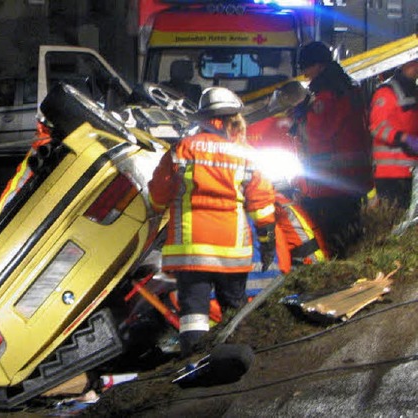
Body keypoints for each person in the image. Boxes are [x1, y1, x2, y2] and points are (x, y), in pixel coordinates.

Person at [147, 87, 276, 358]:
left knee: (194, 314)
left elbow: (159, 195)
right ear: (234, 118)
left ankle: (195, 364)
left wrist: (158, 211)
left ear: (202, 117)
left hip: (192, 251)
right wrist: (266, 242)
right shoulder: (246, 154)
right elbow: (261, 203)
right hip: (232, 249)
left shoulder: (183, 149)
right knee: (234, 308)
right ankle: (237, 360)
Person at [290, 41, 373, 259]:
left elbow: (319, 133)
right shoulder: (345, 88)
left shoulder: (328, 94)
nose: (305, 74)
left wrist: (301, 118)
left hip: (331, 184)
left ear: (318, 65)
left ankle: (340, 282)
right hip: (349, 181)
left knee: (333, 244)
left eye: (306, 68)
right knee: (349, 240)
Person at [369, 58, 418, 209]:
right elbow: (377, 127)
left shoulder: (413, 91)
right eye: (414, 62)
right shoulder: (387, 92)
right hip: (390, 174)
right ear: (405, 63)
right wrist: (403, 138)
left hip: (410, 173)